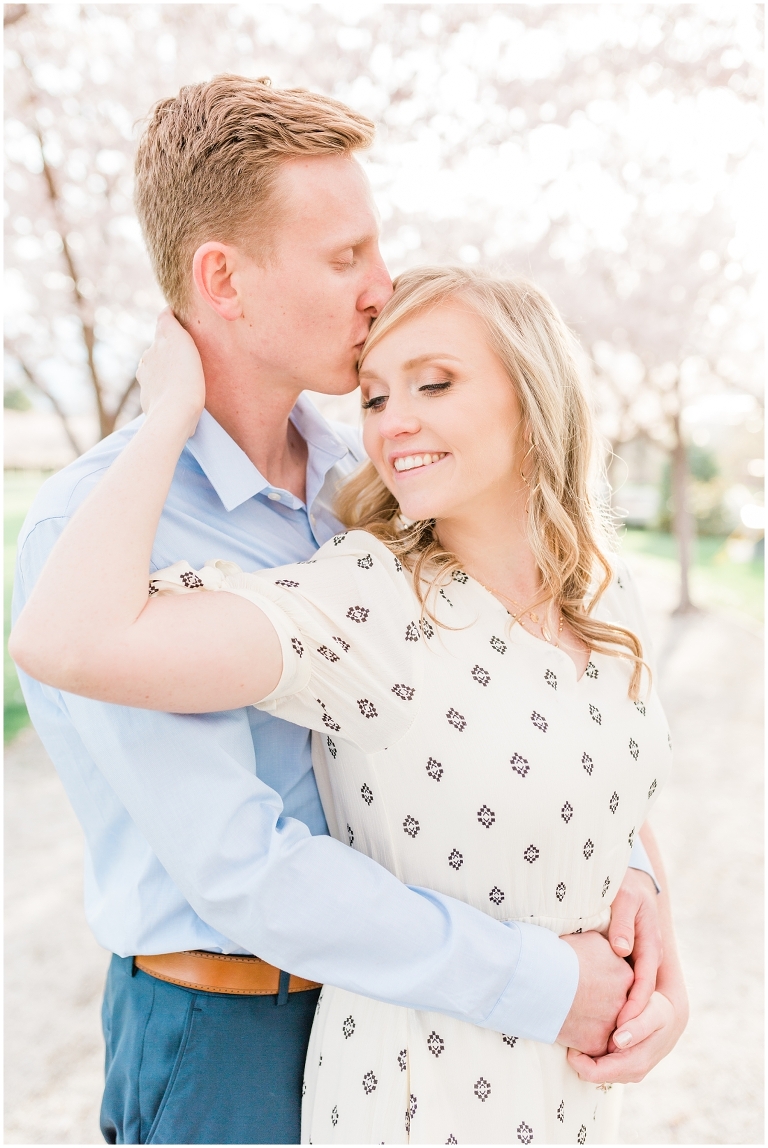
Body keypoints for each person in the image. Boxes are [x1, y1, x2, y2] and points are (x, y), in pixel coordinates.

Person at [11, 77, 681, 1146]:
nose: (384, 285)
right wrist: (546, 981)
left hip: (415, 1008)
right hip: (227, 1026)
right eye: (344, 258)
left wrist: (632, 892)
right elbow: (244, 867)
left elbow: (532, 689)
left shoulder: (371, 484)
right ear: (221, 278)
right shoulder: (96, 536)